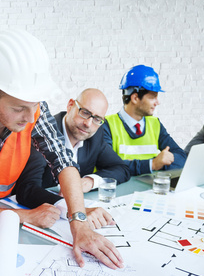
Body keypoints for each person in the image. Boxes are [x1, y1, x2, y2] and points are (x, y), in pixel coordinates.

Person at [0, 29, 123, 269]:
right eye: (19, 108)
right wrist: (25, 217)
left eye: (35, 106)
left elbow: (63, 161)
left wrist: (79, 221)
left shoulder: (31, 108)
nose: (31, 117)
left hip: (6, 209)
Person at [15, 88, 131, 222]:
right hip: (40, 216)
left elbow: (121, 168)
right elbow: (27, 189)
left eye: (97, 119)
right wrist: (74, 209)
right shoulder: (45, 132)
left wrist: (89, 181)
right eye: (85, 112)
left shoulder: (95, 135)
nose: (88, 123)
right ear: (70, 106)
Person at [103, 65, 186, 176]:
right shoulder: (107, 125)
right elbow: (108, 165)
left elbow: (180, 157)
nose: (157, 102)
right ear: (135, 98)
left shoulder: (155, 124)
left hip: (150, 190)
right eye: (153, 97)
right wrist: (152, 164)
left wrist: (132, 166)